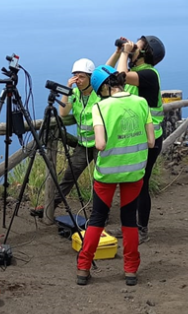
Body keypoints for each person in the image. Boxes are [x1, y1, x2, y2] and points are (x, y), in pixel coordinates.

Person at [76, 66, 153, 287]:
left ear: (104, 88)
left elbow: (99, 144)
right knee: (129, 219)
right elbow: (150, 141)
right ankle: (130, 271)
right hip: (134, 171)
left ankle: (83, 268)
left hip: (107, 173)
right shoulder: (141, 103)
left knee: (97, 219)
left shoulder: (100, 107)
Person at [107, 35, 165, 244]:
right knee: (130, 182)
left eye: (136, 48)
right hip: (136, 139)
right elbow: (108, 74)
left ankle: (142, 230)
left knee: (141, 183)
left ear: (146, 53)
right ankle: (129, 226)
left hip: (151, 140)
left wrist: (124, 53)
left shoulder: (149, 74)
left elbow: (120, 75)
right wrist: (118, 52)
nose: (132, 50)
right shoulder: (136, 74)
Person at [51, 58, 100, 210]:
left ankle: (100, 212)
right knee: (70, 174)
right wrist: (68, 88)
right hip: (83, 144)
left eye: (82, 76)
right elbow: (63, 112)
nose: (78, 80)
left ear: (91, 78)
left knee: (100, 180)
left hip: (100, 144)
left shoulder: (99, 93)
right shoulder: (74, 93)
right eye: (75, 76)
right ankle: (51, 205)